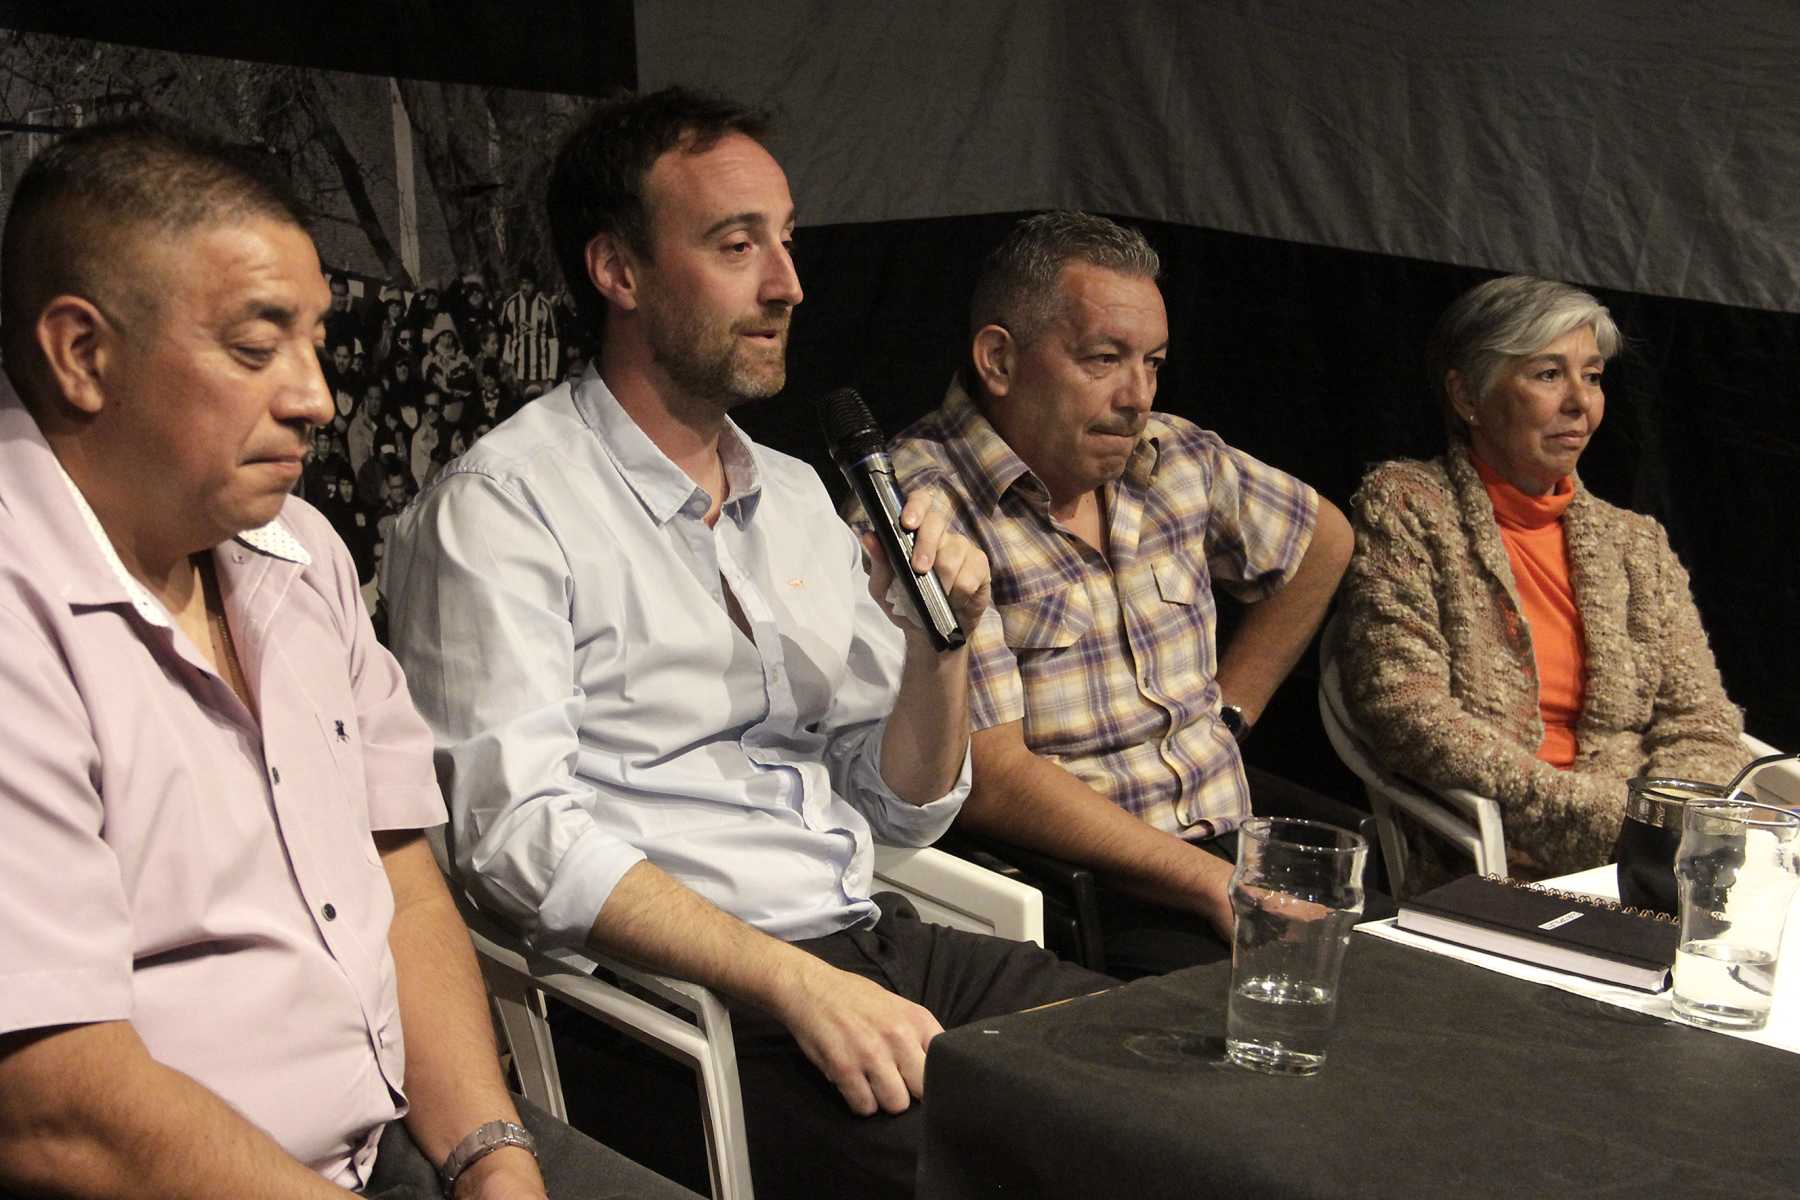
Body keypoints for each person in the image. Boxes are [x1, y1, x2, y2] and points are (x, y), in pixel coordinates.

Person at [383, 87, 1114, 1200]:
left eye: (787, 240)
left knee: (1153, 1081)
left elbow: (898, 804)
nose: (788, 284)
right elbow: (514, 838)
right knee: (1020, 1166)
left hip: (866, 932)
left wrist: (941, 650)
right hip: (680, 1000)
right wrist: (788, 984)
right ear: (618, 273)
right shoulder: (504, 507)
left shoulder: (798, 494)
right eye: (738, 245)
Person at [0, 115, 695, 1200]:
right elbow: (57, 1104)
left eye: (314, 341)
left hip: (399, 1144)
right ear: (83, 354)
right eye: (253, 345)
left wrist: (489, 1155)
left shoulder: (301, 550)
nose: (315, 397)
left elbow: (401, 884)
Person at [877, 212, 1355, 977]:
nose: (1137, 396)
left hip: (1236, 851)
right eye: (1104, 359)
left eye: (1154, 363)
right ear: (999, 360)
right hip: (1090, 891)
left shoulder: (1179, 456)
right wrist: (1208, 882)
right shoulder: (923, 502)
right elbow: (988, 780)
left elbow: (1323, 541)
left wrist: (1235, 709)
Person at [1338, 275, 1748, 883]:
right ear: (1468, 396)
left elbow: (1701, 721)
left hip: (1649, 860)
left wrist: (1666, 823)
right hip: (1496, 855)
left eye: (1593, 376)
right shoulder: (1408, 506)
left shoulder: (1637, 545)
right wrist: (1603, 819)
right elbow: (1404, 707)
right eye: (1549, 374)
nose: (1580, 403)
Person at [499, 271, 560, 391]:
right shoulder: (511, 304)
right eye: (522, 283)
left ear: (534, 284)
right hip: (518, 376)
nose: (524, 287)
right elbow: (507, 338)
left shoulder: (544, 306)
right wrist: (509, 367)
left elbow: (553, 342)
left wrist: (551, 376)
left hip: (541, 375)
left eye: (528, 283)